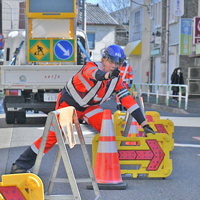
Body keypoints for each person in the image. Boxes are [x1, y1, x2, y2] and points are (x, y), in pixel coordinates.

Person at [10, 44, 155, 174]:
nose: (113, 66)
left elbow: (128, 101)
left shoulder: (117, 81)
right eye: (111, 62)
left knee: (107, 127)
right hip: (67, 106)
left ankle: (106, 164)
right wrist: (108, 75)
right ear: (104, 59)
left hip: (88, 108)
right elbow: (96, 75)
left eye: (117, 64)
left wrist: (144, 124)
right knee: (52, 137)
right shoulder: (90, 67)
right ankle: (20, 165)